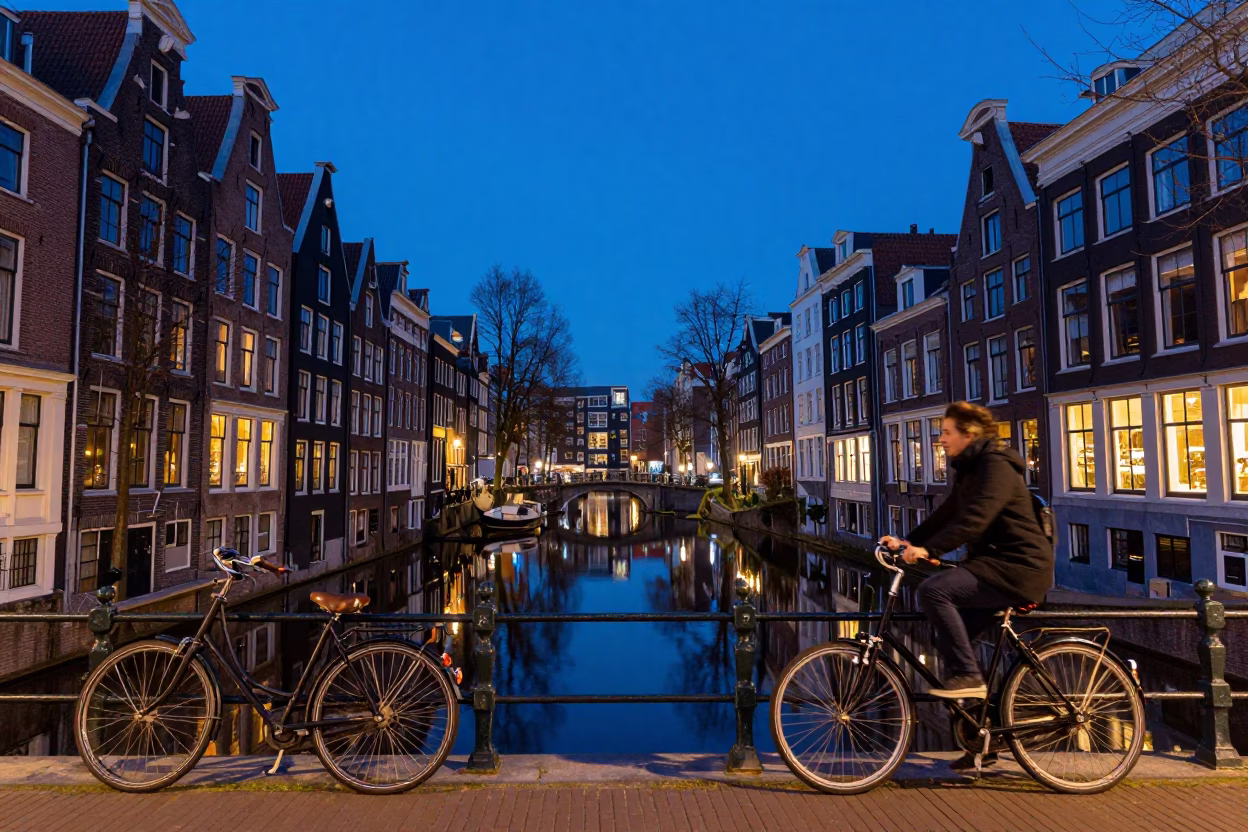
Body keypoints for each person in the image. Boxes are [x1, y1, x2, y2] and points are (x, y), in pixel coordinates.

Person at [879, 401, 1053, 701]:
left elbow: (975, 521)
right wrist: (906, 541)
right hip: (996, 565)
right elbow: (947, 513)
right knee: (947, 640)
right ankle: (982, 732)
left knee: (932, 591)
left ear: (968, 434)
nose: (941, 439)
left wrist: (929, 549)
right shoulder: (972, 469)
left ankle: (971, 678)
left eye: (947, 432)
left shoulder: (995, 466)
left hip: (1018, 568)